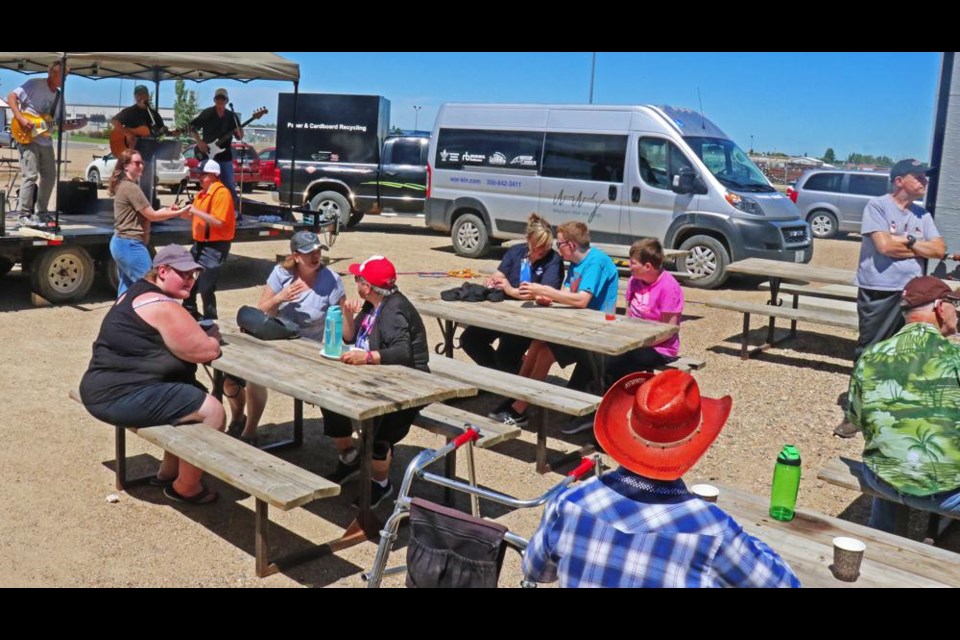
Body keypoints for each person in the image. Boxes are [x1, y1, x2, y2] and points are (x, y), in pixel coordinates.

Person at [522, 369, 800, 588]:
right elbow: (784, 584)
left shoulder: (569, 502)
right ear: (695, 443)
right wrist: (747, 541)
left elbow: (537, 571)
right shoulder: (714, 531)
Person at [79, 245, 226, 505]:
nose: (191, 281)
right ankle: (185, 487)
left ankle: (167, 472)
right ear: (163, 271)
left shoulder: (135, 293)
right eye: (185, 274)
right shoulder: (161, 305)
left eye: (194, 275)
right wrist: (212, 335)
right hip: (117, 396)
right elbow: (206, 352)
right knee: (212, 411)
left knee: (188, 390)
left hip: (100, 388)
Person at [838, 158, 947, 440]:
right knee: (871, 351)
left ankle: (891, 410)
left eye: (926, 177)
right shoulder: (877, 206)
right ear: (899, 180)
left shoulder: (922, 214)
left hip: (912, 292)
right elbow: (884, 246)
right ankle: (855, 414)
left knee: (907, 352)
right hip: (879, 289)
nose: (924, 181)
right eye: (919, 176)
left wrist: (908, 242)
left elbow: (938, 250)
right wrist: (917, 247)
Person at [846, 275, 960, 533]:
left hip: (881, 481)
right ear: (941, 308)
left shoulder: (871, 355)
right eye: (955, 305)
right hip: (947, 494)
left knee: (893, 452)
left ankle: (883, 537)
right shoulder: (954, 357)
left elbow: (856, 419)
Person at [223, 231, 353, 444]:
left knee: (254, 377)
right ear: (296, 256)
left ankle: (249, 432)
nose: (315, 256)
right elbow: (260, 312)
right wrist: (280, 298)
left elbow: (346, 334)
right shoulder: (280, 274)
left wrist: (347, 313)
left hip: (307, 352)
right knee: (230, 381)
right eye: (309, 252)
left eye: (318, 251)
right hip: (274, 343)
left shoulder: (332, 280)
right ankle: (238, 418)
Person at [321, 255, 429, 508]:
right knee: (329, 400)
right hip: (378, 381)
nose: (355, 281)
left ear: (367, 286)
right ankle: (351, 458)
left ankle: (381, 484)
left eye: (358, 278)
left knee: (378, 438)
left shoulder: (393, 309)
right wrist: (348, 315)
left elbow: (404, 353)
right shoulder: (373, 305)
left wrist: (368, 357)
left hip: (409, 387)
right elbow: (351, 337)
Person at [490, 220, 619, 427]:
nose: (556, 249)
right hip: (578, 326)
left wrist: (544, 291)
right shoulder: (577, 264)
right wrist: (545, 297)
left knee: (545, 352)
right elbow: (566, 294)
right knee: (536, 344)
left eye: (559, 244)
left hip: (597, 332)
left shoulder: (595, 261)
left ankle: (519, 409)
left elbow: (582, 300)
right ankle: (516, 398)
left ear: (571, 245)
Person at [562, 237, 685, 435]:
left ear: (647, 266)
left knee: (611, 364)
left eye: (633, 262)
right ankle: (576, 403)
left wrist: (636, 342)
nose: (629, 266)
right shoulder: (635, 281)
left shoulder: (669, 287)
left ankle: (603, 416)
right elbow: (629, 315)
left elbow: (670, 330)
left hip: (659, 347)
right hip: (632, 340)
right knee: (591, 353)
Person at [460, 213, 564, 374]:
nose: (542, 250)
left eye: (546, 245)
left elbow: (545, 294)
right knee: (469, 340)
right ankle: (498, 377)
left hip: (531, 318)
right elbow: (500, 274)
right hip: (504, 313)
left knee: (506, 354)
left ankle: (510, 384)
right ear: (528, 239)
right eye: (538, 245)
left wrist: (510, 290)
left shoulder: (553, 260)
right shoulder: (516, 252)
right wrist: (493, 281)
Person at [7, 60, 84, 227]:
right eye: (63, 75)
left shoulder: (58, 96)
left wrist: (75, 125)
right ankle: (24, 214)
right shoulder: (34, 84)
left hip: (45, 140)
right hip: (27, 137)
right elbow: (11, 96)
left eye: (67, 76)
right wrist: (20, 117)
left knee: (49, 176)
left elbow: (58, 124)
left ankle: (41, 213)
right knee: (31, 175)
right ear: (52, 73)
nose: (64, 79)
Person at [108, 149, 189, 296]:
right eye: (136, 163)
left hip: (122, 243)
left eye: (142, 163)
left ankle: (122, 316)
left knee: (127, 290)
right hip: (130, 245)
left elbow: (149, 214)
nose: (140, 166)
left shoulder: (125, 185)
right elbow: (152, 216)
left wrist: (169, 210)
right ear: (126, 166)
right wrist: (178, 212)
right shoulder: (131, 188)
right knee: (151, 288)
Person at [180, 159, 236, 320]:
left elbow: (219, 221)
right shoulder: (202, 194)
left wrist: (195, 210)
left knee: (206, 286)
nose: (199, 178)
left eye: (202, 174)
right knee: (188, 279)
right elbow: (191, 215)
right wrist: (180, 212)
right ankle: (189, 312)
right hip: (199, 245)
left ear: (213, 175)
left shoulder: (222, 194)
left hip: (215, 247)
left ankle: (211, 319)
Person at [111, 84, 169, 199]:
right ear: (134, 96)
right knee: (126, 178)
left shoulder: (154, 115)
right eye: (138, 94)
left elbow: (160, 131)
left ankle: (145, 204)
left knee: (145, 181)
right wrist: (127, 133)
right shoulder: (129, 111)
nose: (140, 96)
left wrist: (165, 131)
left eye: (142, 94)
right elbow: (114, 121)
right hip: (130, 152)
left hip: (146, 154)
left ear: (147, 96)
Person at [189, 87, 242, 207]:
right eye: (218, 98)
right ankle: (206, 209)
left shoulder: (232, 116)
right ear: (214, 99)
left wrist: (239, 134)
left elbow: (239, 137)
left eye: (223, 98)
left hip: (225, 156)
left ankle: (233, 211)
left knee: (229, 185)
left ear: (226, 100)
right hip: (208, 156)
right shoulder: (208, 113)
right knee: (207, 184)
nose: (220, 100)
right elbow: (192, 127)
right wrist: (199, 142)